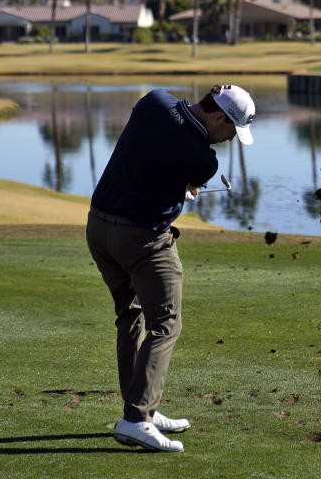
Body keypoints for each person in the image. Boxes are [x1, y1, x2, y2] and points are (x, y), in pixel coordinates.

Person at [86, 84, 255, 453]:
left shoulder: (154, 101)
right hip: (142, 240)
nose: (229, 139)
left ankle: (142, 406)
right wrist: (185, 186)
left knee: (130, 316)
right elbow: (190, 179)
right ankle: (136, 419)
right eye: (231, 129)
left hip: (99, 228)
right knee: (166, 323)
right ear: (219, 117)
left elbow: (154, 143)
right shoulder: (203, 158)